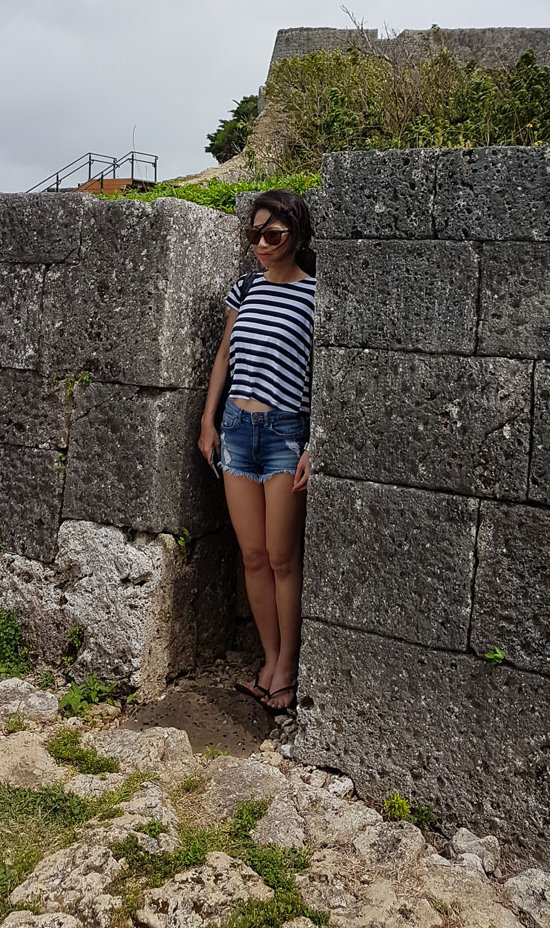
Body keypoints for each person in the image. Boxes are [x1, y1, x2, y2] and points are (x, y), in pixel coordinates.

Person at [198, 190, 316, 714]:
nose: (261, 245)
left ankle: (288, 668)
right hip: (237, 430)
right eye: (254, 235)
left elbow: (324, 376)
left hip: (285, 431)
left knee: (281, 557)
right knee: (251, 555)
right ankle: (269, 660)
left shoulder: (315, 296)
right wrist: (208, 418)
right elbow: (225, 352)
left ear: (297, 236)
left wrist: (315, 442)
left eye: (273, 235)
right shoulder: (244, 288)